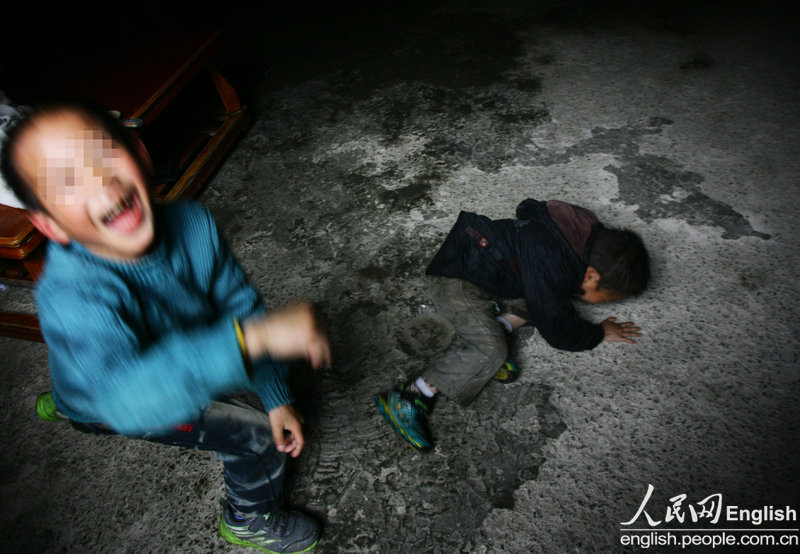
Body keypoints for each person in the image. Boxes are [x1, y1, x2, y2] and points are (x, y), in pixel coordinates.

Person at [1, 99, 331, 554]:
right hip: (118, 397)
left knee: (89, 369)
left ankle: (65, 400)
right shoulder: (68, 296)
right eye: (66, 182)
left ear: (139, 150)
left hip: (126, 369)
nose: (99, 180)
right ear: (49, 224)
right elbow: (129, 400)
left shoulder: (194, 222)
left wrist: (275, 393)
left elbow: (237, 305)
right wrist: (252, 341)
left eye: (103, 154)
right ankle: (249, 520)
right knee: (256, 439)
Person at [375, 198, 650, 452]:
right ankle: (410, 396)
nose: (600, 304)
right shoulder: (550, 263)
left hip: (483, 260)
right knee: (493, 350)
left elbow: (528, 207)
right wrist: (598, 332)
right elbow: (559, 333)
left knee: (549, 301)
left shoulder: (579, 228)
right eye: (606, 298)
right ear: (591, 276)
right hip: (455, 280)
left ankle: (491, 333)